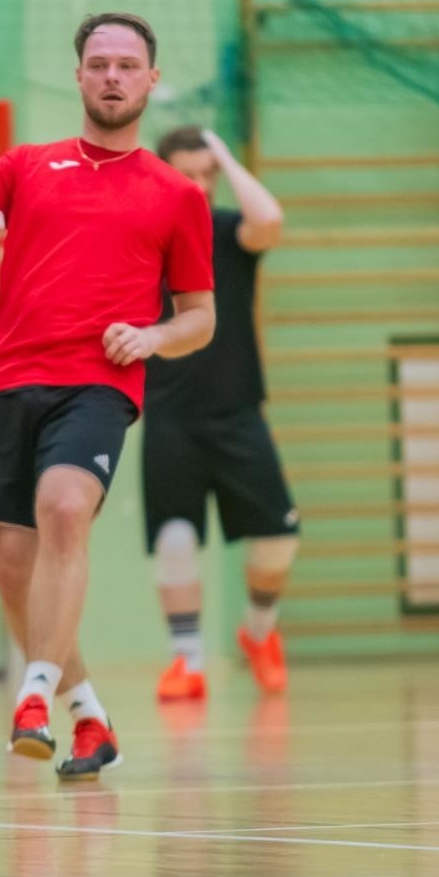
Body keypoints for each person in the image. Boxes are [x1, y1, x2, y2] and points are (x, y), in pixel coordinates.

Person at [0, 13, 215, 780]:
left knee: (65, 509)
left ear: (150, 79)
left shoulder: (177, 195)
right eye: (99, 63)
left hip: (97, 386)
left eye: (128, 64)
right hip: (5, 381)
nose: (113, 75)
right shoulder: (25, 167)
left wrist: (151, 339)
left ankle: (35, 690)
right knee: (13, 562)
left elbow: (200, 318)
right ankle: (88, 714)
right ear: (79, 76)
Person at [142, 125, 297, 703]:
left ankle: (259, 633)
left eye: (207, 173)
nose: (200, 183)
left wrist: (228, 156)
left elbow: (271, 220)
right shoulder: (145, 237)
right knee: (176, 538)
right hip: (169, 414)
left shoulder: (230, 232)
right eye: (189, 172)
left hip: (237, 410)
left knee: (278, 541)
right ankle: (188, 662)